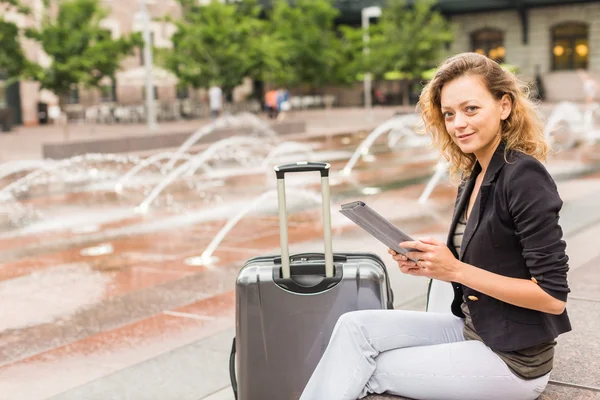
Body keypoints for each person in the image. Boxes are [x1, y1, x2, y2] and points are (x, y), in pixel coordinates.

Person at [299, 52, 571, 400]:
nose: (458, 123)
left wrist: (455, 269)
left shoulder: (524, 176)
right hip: (475, 328)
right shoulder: (475, 174)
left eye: (471, 109)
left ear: (504, 106)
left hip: (512, 360)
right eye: (449, 114)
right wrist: (432, 264)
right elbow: (485, 261)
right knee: (355, 328)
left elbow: (552, 298)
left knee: (367, 369)